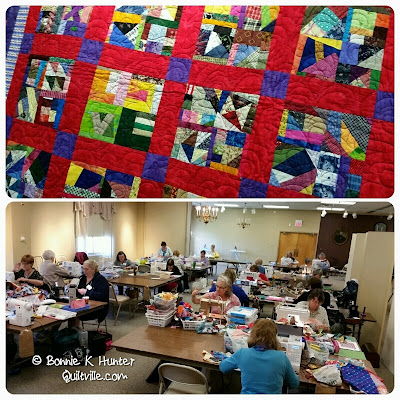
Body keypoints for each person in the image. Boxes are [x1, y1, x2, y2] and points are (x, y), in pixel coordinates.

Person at [219, 318, 300, 394]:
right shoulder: (281, 357)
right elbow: (294, 384)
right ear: (274, 336)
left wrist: (230, 358)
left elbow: (223, 367)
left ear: (253, 334)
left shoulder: (242, 353)